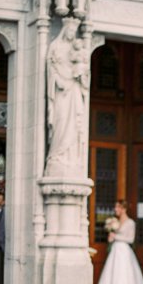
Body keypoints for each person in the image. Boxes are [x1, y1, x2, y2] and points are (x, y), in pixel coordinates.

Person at [45, 17, 89, 178]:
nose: (71, 34)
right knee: (62, 122)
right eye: (69, 30)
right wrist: (59, 80)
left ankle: (71, 159)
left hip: (74, 90)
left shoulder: (78, 51)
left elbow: (85, 76)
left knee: (75, 124)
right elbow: (51, 70)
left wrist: (81, 74)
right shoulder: (55, 47)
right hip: (61, 92)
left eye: (73, 31)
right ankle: (57, 156)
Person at [94, 200, 143, 284]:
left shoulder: (130, 223)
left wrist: (116, 236)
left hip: (124, 251)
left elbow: (130, 239)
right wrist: (111, 237)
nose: (115, 210)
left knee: (123, 276)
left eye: (118, 208)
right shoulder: (115, 221)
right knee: (112, 275)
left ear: (124, 209)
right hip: (115, 251)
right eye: (115, 208)